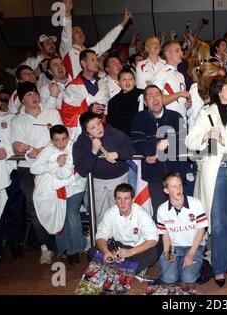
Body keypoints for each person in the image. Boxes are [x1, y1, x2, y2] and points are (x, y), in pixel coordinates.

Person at [186, 76, 227, 287]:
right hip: (213, 173)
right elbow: (190, 143)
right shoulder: (205, 113)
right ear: (219, 90)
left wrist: (224, 140)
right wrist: (205, 135)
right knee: (217, 223)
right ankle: (219, 268)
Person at [10, 81, 63, 264]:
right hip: (27, 168)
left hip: (52, 164)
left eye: (35, 93)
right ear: (22, 99)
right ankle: (45, 247)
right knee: (34, 207)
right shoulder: (17, 120)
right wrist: (17, 146)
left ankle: (61, 244)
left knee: (57, 204)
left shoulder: (52, 113)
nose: (34, 96)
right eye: (29, 95)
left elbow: (61, 139)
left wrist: (42, 151)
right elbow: (17, 146)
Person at [131, 85, 192, 220]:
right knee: (160, 214)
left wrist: (158, 153)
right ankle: (162, 241)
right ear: (145, 103)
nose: (155, 99)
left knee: (181, 213)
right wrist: (156, 147)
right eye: (150, 96)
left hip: (176, 173)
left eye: (157, 95)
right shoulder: (139, 118)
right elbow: (137, 145)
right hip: (154, 175)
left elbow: (182, 144)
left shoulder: (176, 116)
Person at [30, 125, 86, 264]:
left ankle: (76, 250)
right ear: (52, 140)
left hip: (75, 187)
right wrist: (55, 164)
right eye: (57, 140)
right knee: (59, 215)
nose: (61, 143)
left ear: (68, 136)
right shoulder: (48, 150)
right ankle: (64, 249)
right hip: (57, 190)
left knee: (71, 214)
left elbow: (65, 174)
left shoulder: (75, 148)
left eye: (64, 139)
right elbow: (34, 168)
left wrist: (50, 169)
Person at [0, 90, 25, 271]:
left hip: (10, 171)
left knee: (15, 209)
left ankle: (16, 243)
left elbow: (18, 142)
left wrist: (7, 152)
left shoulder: (10, 119)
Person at [73, 112, 134, 226]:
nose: (98, 128)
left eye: (98, 124)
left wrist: (118, 154)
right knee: (100, 216)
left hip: (119, 179)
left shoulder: (113, 132)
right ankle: (103, 241)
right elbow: (82, 170)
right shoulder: (81, 142)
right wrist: (94, 152)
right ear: (86, 131)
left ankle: (121, 240)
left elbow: (131, 148)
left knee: (120, 214)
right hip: (97, 181)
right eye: (93, 127)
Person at [89, 184, 159, 275]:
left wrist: (130, 252)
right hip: (118, 248)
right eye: (119, 199)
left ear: (133, 200)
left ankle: (117, 268)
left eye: (126, 198)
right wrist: (106, 252)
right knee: (91, 252)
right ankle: (128, 269)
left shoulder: (141, 213)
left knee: (153, 253)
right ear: (115, 200)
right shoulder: (110, 213)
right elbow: (100, 235)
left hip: (136, 249)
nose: (122, 203)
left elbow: (153, 239)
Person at [157, 173, 208, 284]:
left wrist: (190, 254)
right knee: (169, 279)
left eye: (180, 185)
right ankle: (177, 265)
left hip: (194, 246)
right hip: (174, 248)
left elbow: (201, 230)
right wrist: (166, 252)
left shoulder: (195, 203)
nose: (179, 189)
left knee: (188, 279)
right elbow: (165, 234)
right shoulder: (162, 209)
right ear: (166, 190)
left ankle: (200, 263)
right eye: (174, 186)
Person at [63, 6, 133, 79]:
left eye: (82, 32)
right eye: (76, 31)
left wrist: (124, 22)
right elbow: (65, 35)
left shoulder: (89, 53)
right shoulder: (68, 51)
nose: (81, 33)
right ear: (70, 36)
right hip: (75, 88)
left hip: (90, 87)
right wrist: (67, 14)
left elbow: (106, 42)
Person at [60, 49, 110, 141]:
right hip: (82, 135)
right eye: (92, 60)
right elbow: (67, 115)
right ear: (83, 63)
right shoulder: (73, 87)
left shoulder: (103, 84)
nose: (97, 63)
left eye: (97, 60)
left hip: (103, 130)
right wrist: (88, 108)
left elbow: (107, 109)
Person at [152, 41, 191, 120]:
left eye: (181, 50)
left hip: (182, 120)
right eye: (177, 50)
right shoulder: (161, 74)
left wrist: (187, 103)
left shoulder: (180, 75)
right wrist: (179, 94)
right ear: (167, 54)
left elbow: (180, 101)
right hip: (168, 120)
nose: (181, 53)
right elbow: (157, 101)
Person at [107, 69, 142, 137]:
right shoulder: (113, 102)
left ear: (134, 81)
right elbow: (112, 126)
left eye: (130, 79)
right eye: (124, 80)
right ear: (119, 82)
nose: (127, 82)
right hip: (123, 138)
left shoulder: (143, 94)